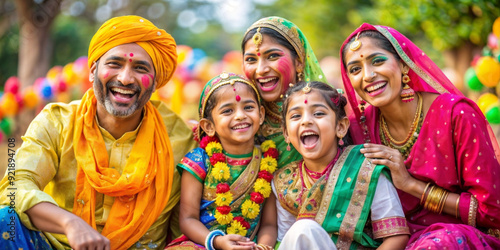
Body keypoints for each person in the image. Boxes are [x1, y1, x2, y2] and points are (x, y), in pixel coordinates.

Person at [0, 15, 197, 249]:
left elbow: (186, 222)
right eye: (114, 64)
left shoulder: (181, 138)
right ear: (93, 70)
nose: (125, 78)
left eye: (140, 68)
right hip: (56, 244)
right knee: (5, 222)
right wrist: (69, 223)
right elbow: (15, 185)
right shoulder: (57, 121)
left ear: (155, 83)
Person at [340, 23, 500, 249]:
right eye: (355, 69)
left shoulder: (456, 114)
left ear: (404, 65)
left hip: (457, 238)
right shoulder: (359, 128)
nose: (368, 75)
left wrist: (410, 184)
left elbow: (491, 212)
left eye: (377, 61)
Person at [273, 81, 410, 249]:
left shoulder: (365, 167)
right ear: (286, 133)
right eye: (296, 116)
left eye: (318, 113)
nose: (306, 121)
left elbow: (396, 236)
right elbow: (288, 241)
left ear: (341, 127)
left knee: (304, 227)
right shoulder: (284, 181)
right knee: (302, 229)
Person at [166, 73, 277, 250]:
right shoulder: (199, 161)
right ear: (209, 126)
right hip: (203, 244)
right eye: (228, 111)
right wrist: (216, 242)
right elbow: (188, 219)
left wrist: (263, 247)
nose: (240, 116)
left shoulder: (268, 162)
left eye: (248, 107)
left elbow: (269, 224)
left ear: (261, 114)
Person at [241, 16, 327, 168]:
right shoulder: (243, 119)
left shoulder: (332, 109)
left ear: (298, 62)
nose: (261, 69)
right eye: (251, 60)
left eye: (273, 56)